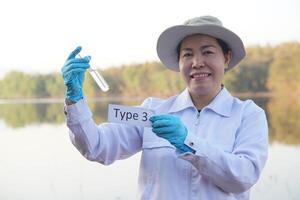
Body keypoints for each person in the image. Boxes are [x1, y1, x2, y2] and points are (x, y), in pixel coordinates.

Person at [61, 15, 268, 200]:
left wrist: (188, 142)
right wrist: (75, 100)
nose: (197, 62)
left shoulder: (248, 115)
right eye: (187, 55)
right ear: (178, 63)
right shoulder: (153, 110)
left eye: (208, 52)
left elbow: (244, 177)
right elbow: (97, 147)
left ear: (226, 58)